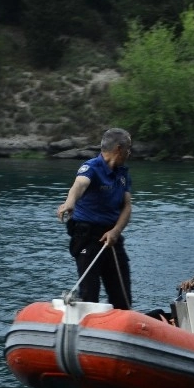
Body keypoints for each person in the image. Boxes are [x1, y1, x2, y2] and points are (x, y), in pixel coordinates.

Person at [56, 128, 133, 309]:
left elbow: (127, 206)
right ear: (119, 149)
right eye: (129, 149)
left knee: (122, 297)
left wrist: (116, 231)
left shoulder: (122, 174)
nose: (130, 153)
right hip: (88, 237)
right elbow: (80, 184)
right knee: (89, 294)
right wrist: (69, 203)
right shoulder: (92, 167)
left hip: (111, 239)